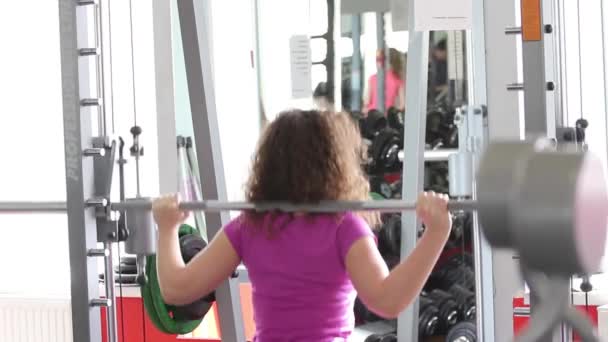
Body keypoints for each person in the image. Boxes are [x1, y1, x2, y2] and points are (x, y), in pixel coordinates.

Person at [153, 110, 452, 341]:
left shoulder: (249, 226)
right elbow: (388, 302)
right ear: (335, 165)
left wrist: (167, 228)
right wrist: (436, 233)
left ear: (268, 165)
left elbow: (177, 290)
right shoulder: (345, 227)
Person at [365, 48, 407, 113]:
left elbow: (367, 102)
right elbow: (402, 105)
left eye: (378, 59)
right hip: (387, 119)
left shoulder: (373, 78)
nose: (376, 62)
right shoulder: (398, 80)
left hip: (372, 116)